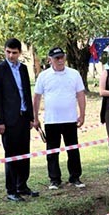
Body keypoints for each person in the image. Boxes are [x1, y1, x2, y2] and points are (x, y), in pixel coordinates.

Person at [0, 38, 38, 202]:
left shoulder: (23, 69)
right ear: (4, 51)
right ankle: (11, 190)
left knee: (24, 153)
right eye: (8, 52)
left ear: (20, 53)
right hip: (8, 120)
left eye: (14, 53)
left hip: (24, 117)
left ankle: (22, 185)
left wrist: (31, 117)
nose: (11, 55)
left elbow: (26, 93)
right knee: (11, 155)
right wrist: (0, 121)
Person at [33, 47, 86, 190]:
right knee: (52, 151)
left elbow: (80, 94)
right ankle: (54, 179)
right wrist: (35, 117)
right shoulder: (43, 76)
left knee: (73, 149)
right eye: (57, 58)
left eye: (62, 57)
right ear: (50, 60)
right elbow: (36, 97)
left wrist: (82, 114)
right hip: (52, 120)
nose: (60, 60)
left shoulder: (74, 74)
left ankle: (75, 177)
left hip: (70, 119)